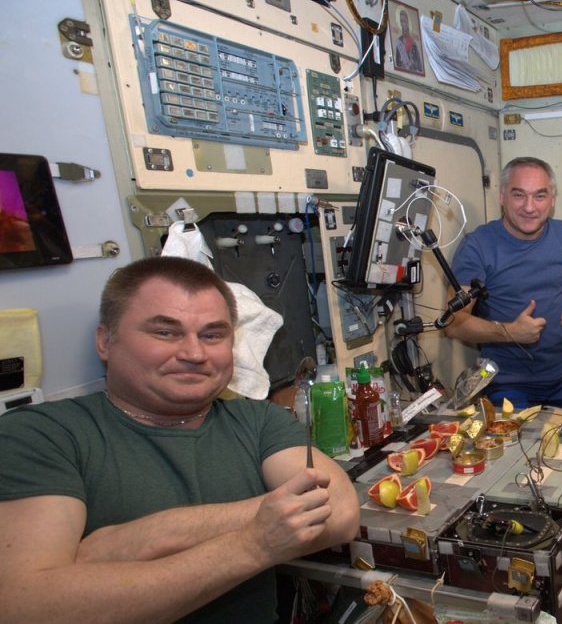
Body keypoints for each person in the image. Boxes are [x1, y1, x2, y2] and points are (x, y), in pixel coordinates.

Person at [0, 256, 360, 622]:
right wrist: (253, 543)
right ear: (106, 341)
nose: (194, 353)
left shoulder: (257, 420)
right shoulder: (44, 434)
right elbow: (28, 607)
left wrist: (145, 537)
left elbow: (340, 512)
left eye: (212, 335)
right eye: (165, 332)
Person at [444, 156, 562, 408]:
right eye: (519, 195)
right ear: (502, 197)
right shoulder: (478, 246)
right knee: (520, 446)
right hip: (506, 384)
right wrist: (510, 332)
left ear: (552, 199)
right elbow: (453, 323)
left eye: (540, 196)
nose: (530, 207)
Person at [393, 10, 424, 75]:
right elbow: (397, 63)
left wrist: (413, 64)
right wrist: (402, 65)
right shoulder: (399, 41)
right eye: (401, 21)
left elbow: (420, 67)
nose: (402, 24)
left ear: (408, 23)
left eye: (404, 21)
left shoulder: (413, 43)